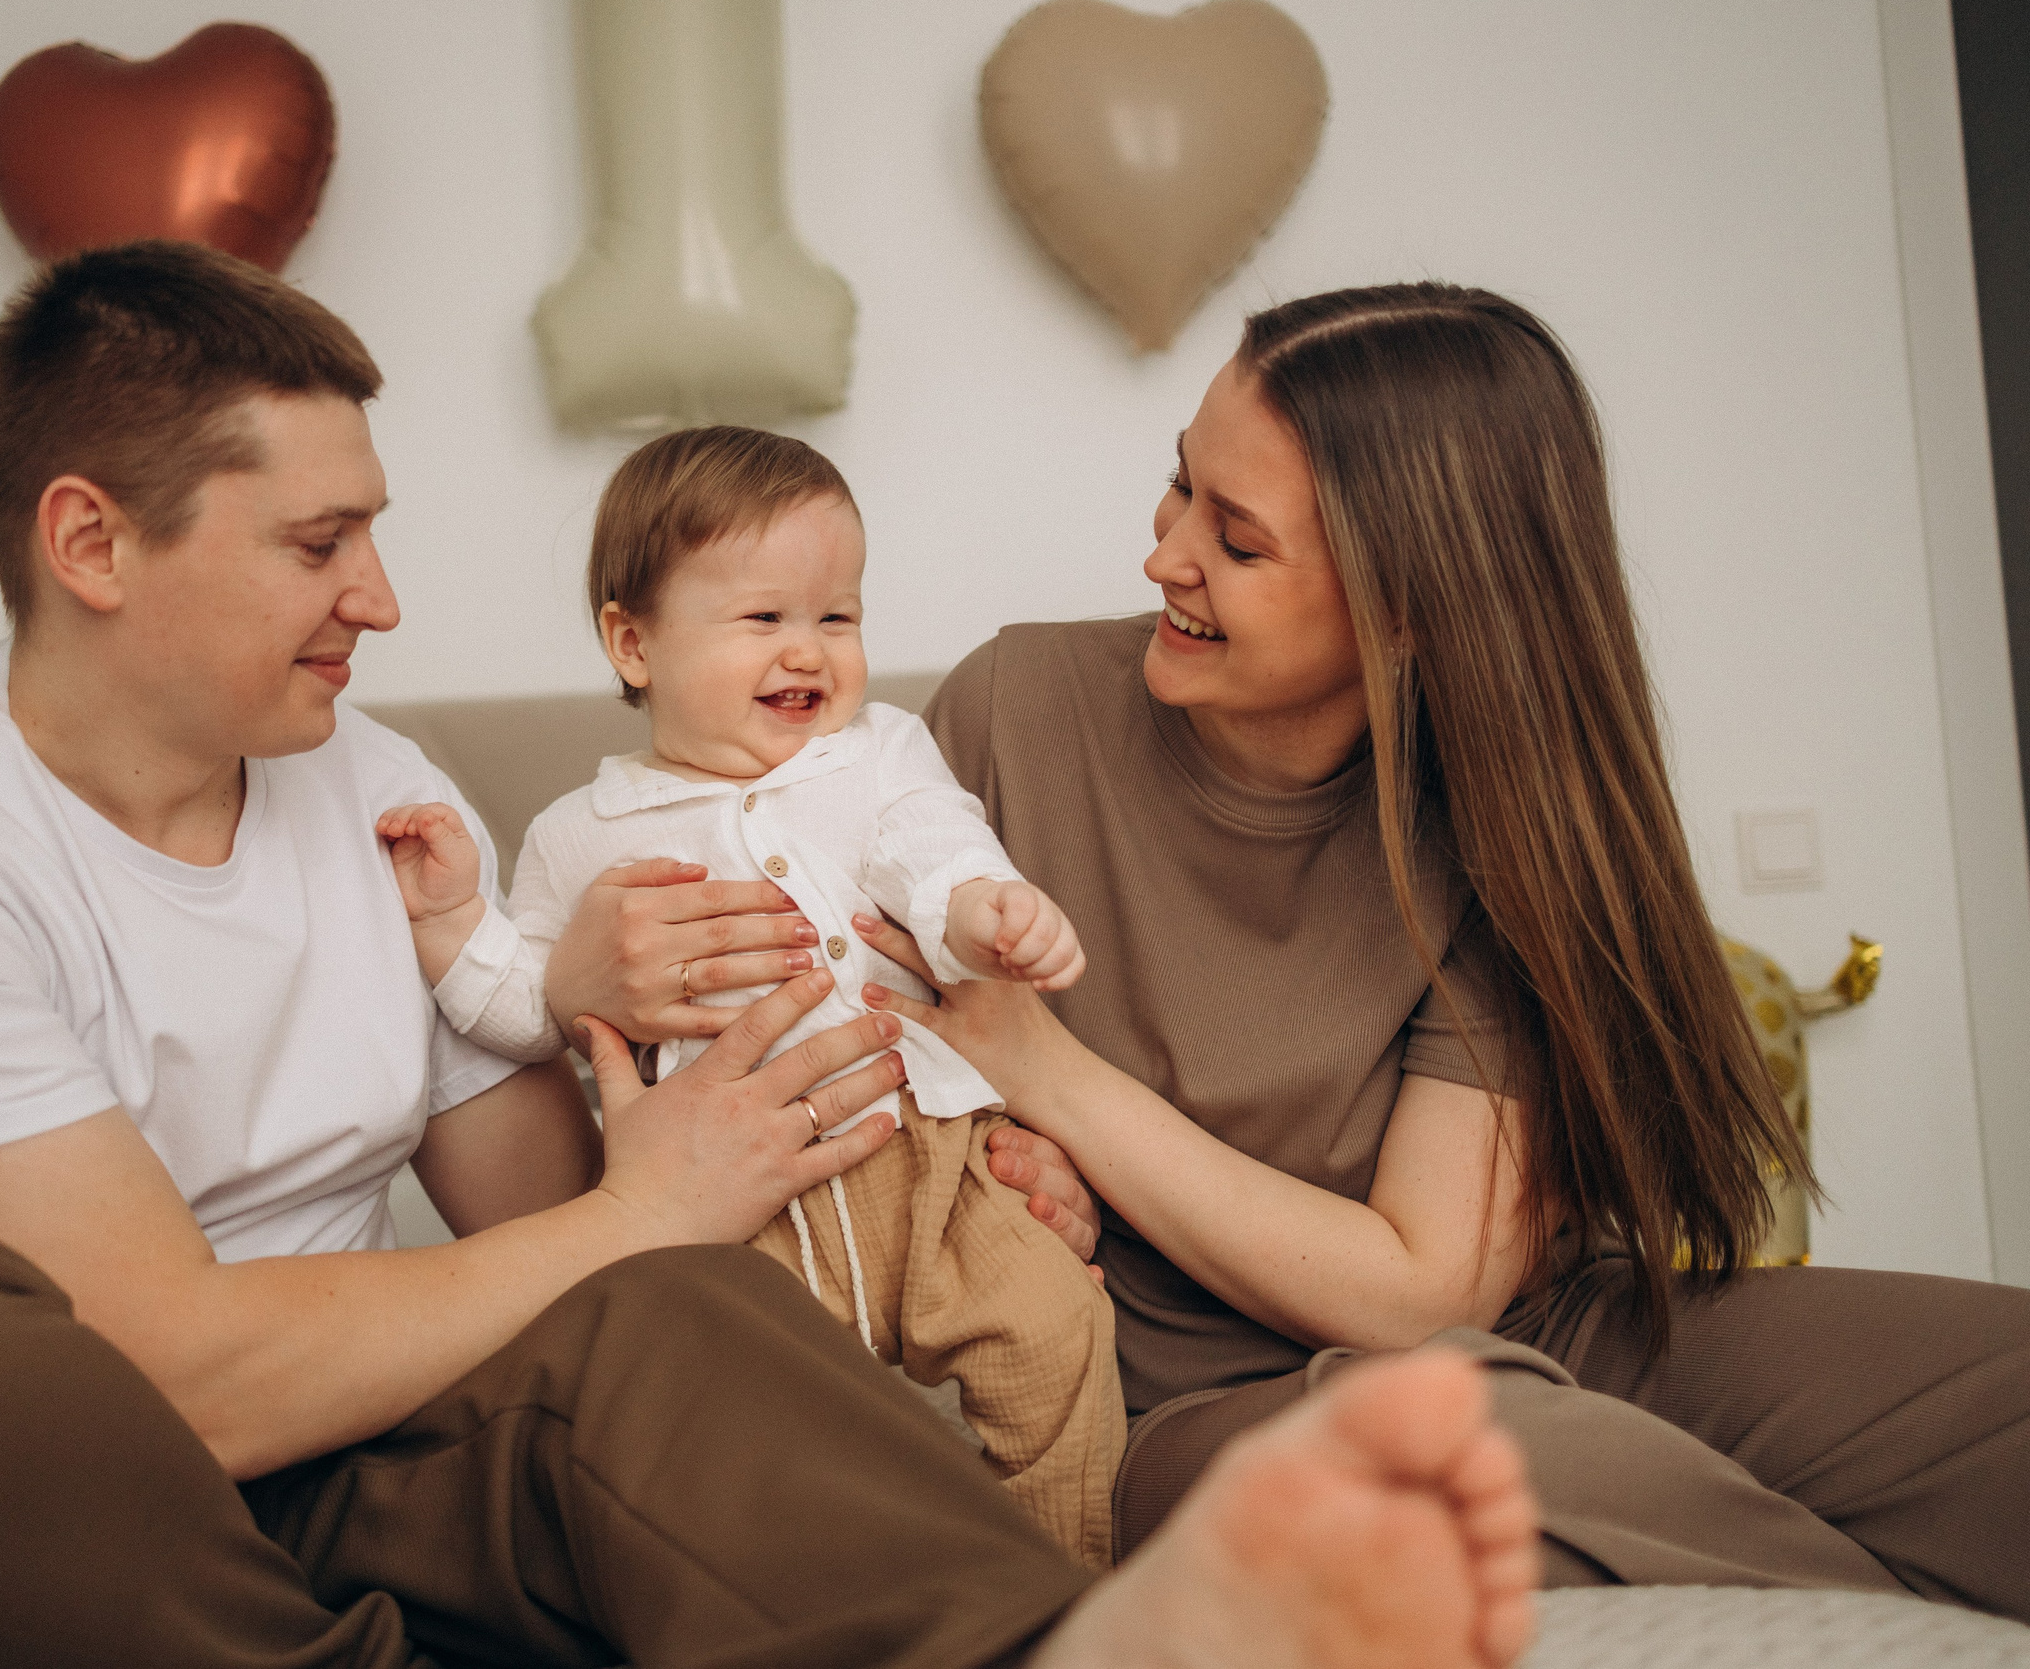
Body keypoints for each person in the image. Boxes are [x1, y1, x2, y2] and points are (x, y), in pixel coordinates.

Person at [0, 242, 1545, 1669]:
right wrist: (641, 1211)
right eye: (317, 545)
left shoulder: (361, 785)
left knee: (676, 1317)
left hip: (329, 1465)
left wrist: (620, 1024)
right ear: (93, 544)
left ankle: (1042, 1649)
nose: (380, 596)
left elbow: (561, 1217)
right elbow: (172, 1384)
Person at [840, 281, 2028, 1613]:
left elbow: (1425, 1283)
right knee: (1458, 1448)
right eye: (1179, 490)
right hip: (1207, 1405)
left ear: (1411, 609)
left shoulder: (1499, 818)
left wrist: (1056, 1079)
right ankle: (1896, 1620)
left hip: (1555, 1334)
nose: (1163, 554)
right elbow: (864, 1050)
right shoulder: (1017, 711)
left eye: (1236, 539)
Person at [375, 424, 1118, 1563]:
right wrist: (444, 925)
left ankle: (1059, 1596)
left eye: (839, 616)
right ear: (633, 643)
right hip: (734, 1196)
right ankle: (847, 1607)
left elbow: (936, 849)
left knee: (1055, 1331)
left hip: (929, 1150)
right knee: (753, 1436)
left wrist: (984, 913)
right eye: (764, 618)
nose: (809, 650)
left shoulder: (876, 754)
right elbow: (524, 1012)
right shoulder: (582, 835)